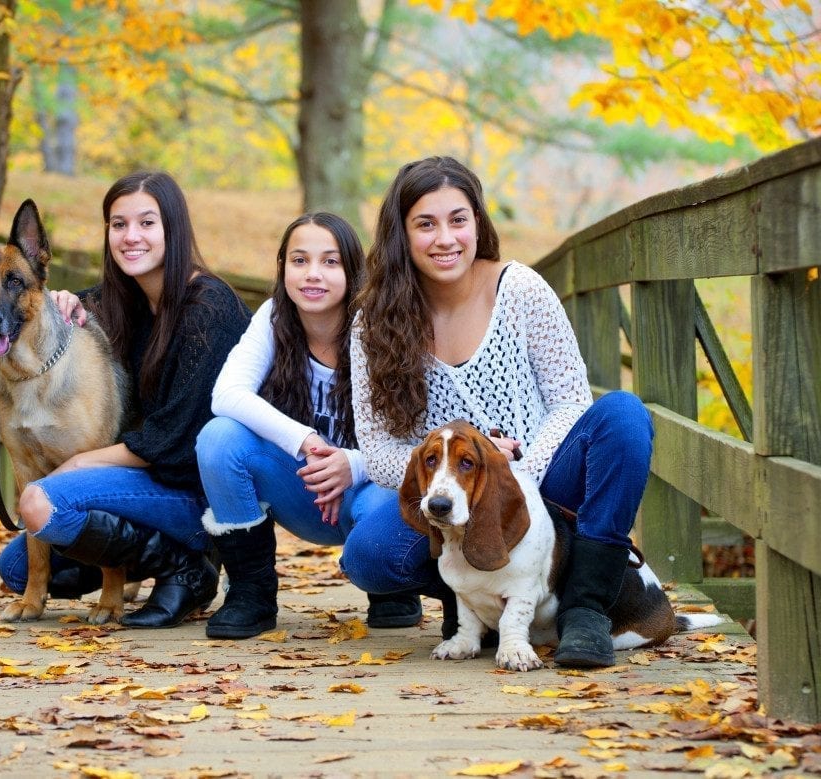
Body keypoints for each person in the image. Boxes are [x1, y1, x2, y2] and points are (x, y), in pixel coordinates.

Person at [345, 156, 654, 668]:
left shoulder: (520, 290)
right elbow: (377, 451)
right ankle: (474, 607)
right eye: (426, 223)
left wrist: (511, 471)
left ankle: (587, 609)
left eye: (457, 220)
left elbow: (571, 402)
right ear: (402, 233)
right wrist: (455, 471)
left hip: (546, 479)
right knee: (370, 557)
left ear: (477, 223)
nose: (445, 238)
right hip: (448, 500)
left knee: (623, 415)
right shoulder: (371, 324)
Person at [0, 170, 251, 628]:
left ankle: (188, 563)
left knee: (48, 504)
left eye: (147, 223)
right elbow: (46, 311)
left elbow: (173, 440)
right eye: (118, 225)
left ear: (174, 230)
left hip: (197, 493)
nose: (131, 237)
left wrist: (76, 464)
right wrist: (62, 302)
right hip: (144, 486)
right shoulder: (118, 300)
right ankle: (146, 562)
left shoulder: (210, 309)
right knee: (15, 568)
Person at [195, 212, 423, 639]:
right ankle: (251, 591)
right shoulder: (274, 318)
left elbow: (416, 436)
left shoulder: (383, 327)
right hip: (304, 490)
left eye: (330, 262)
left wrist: (350, 465)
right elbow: (226, 394)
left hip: (372, 488)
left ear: (354, 270)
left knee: (383, 505)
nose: (312, 274)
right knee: (219, 437)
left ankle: (393, 588)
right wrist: (307, 443)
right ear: (282, 267)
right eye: (299, 261)